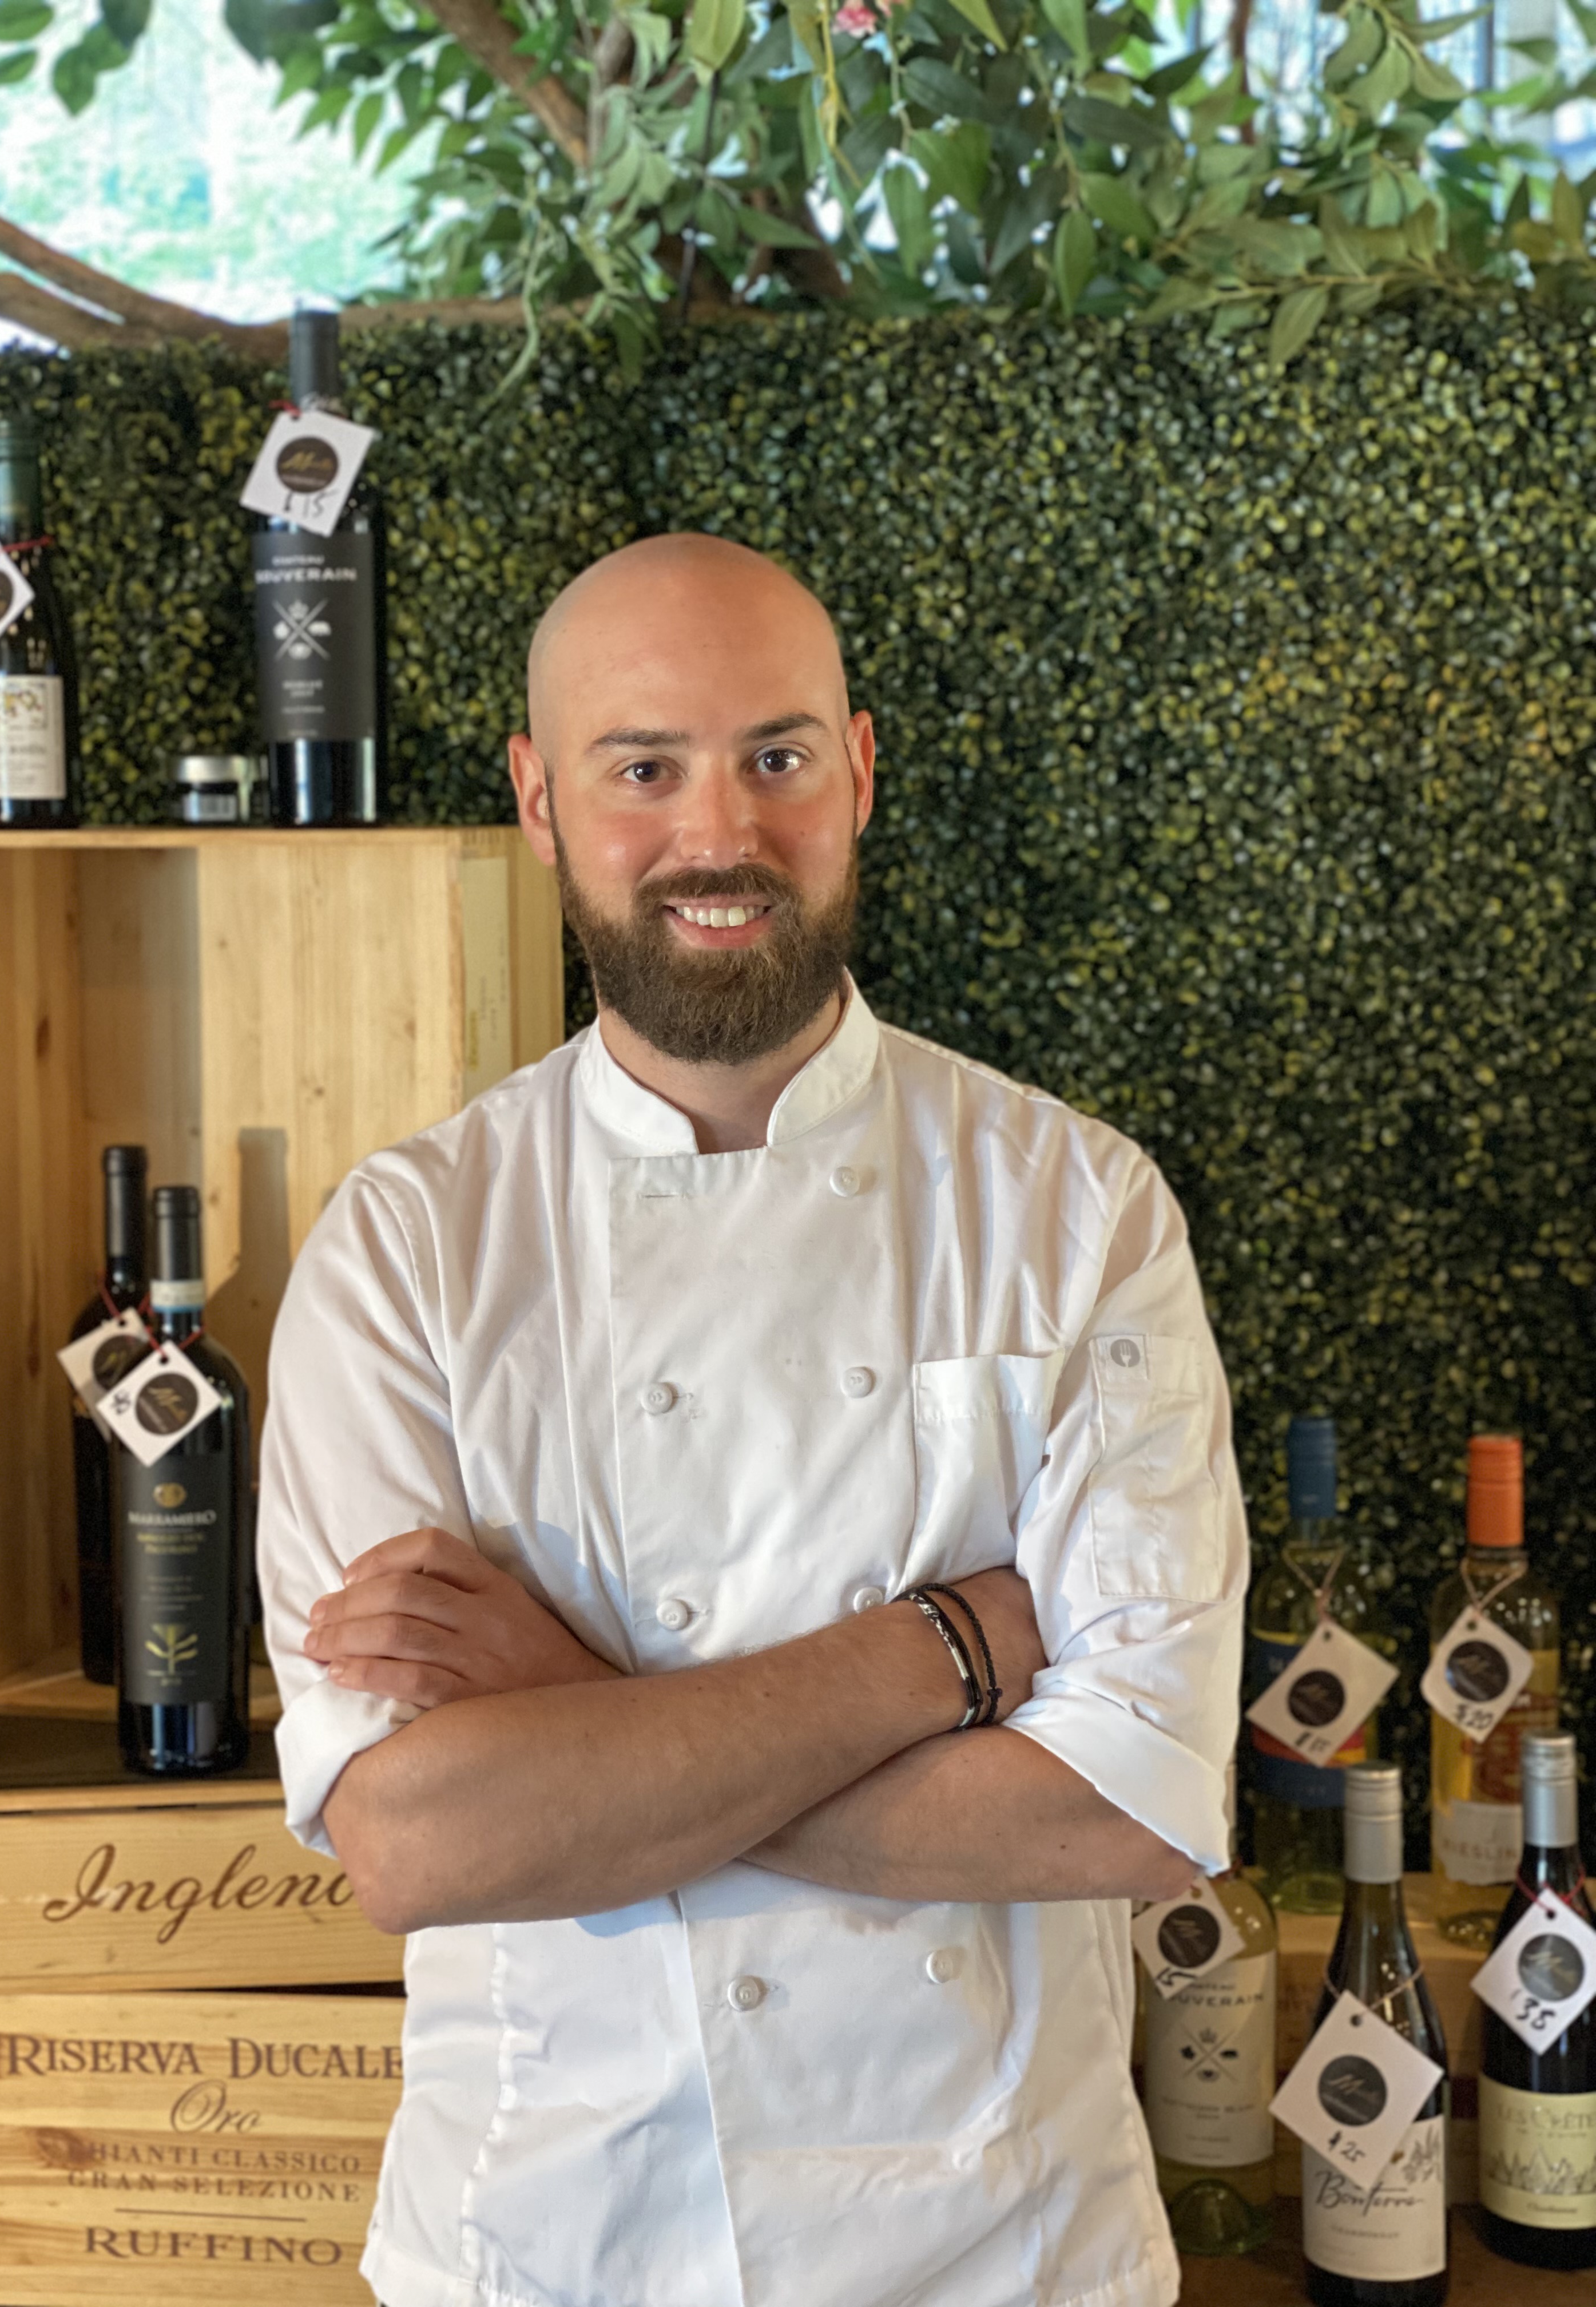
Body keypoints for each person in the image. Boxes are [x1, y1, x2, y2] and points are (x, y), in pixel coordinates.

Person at [259, 533, 1249, 2307]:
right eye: (644, 768)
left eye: (775, 757)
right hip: (554, 2244)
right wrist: (946, 1648)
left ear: (858, 771)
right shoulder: (409, 1248)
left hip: (1004, 2248)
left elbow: (1133, 1810)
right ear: (541, 803)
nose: (718, 835)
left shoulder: (1077, 1212)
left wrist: (574, 1729)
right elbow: (417, 1845)